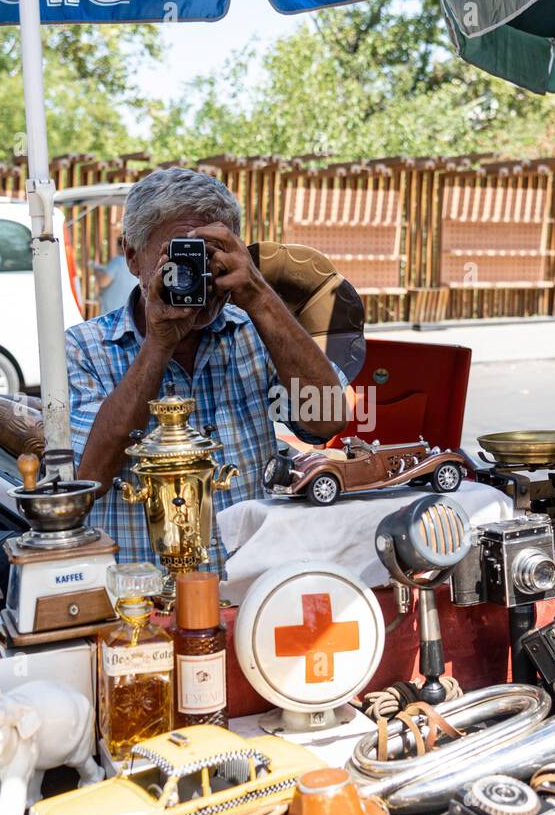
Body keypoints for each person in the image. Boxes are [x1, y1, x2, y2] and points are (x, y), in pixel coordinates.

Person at [66, 168, 349, 575]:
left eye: (212, 254)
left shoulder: (254, 332)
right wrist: (159, 343)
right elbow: (89, 481)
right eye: (180, 257)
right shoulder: (83, 348)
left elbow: (327, 418)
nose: (200, 275)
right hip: (141, 602)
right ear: (132, 256)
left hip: (252, 587)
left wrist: (259, 296)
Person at [93, 235, 133, 316]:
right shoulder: (134, 263)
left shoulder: (117, 261)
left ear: (120, 247)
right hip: (127, 313)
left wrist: (96, 271)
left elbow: (103, 282)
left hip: (112, 314)